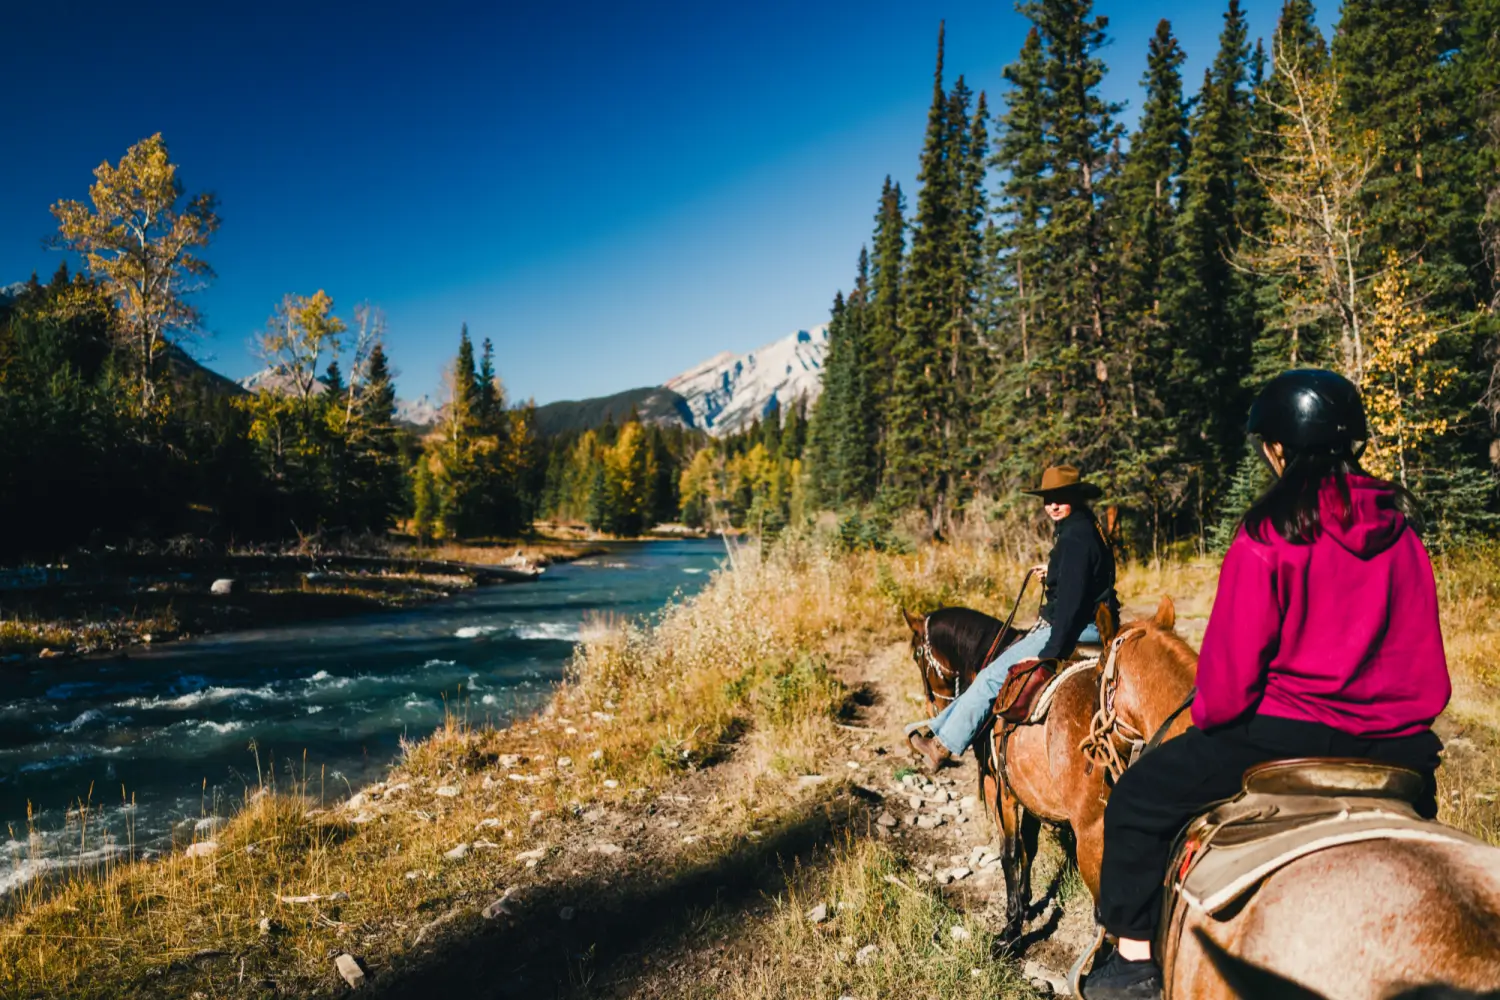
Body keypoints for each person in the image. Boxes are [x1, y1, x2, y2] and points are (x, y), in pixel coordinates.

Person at [1083, 369, 1451, 1000]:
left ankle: (1134, 965)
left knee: (1137, 801)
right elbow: (1428, 668)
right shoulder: (1402, 533)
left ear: (1277, 448)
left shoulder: (1268, 534)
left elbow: (1224, 693)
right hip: (1399, 749)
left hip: (1281, 740)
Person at [908, 464, 1120, 771]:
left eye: (1060, 498)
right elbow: (1087, 576)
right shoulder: (1084, 527)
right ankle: (938, 727)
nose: (1052, 505)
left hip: (1074, 628)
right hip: (1092, 623)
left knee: (990, 677)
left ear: (1075, 497)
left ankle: (941, 747)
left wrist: (1050, 654)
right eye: (1048, 499)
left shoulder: (1074, 538)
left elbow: (1072, 605)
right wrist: (1054, 572)